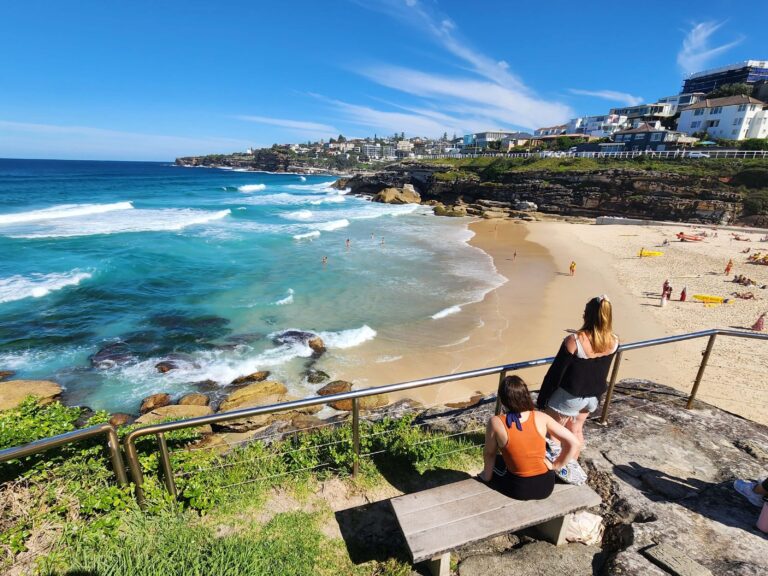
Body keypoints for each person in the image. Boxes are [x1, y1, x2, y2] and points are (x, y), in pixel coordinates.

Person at [536, 295, 618, 458]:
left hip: (571, 396)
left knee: (554, 433)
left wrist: (542, 400)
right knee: (576, 430)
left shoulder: (574, 341)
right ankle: (572, 466)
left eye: (585, 312)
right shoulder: (614, 341)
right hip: (593, 397)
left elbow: (555, 374)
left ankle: (555, 469)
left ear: (588, 315)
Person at [479, 375, 578, 500]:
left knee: (497, 464)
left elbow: (489, 453)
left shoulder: (496, 422)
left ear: (503, 400)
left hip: (518, 489)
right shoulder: (540, 416)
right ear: (526, 395)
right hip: (546, 486)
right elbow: (574, 443)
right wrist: (556, 465)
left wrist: (486, 477)